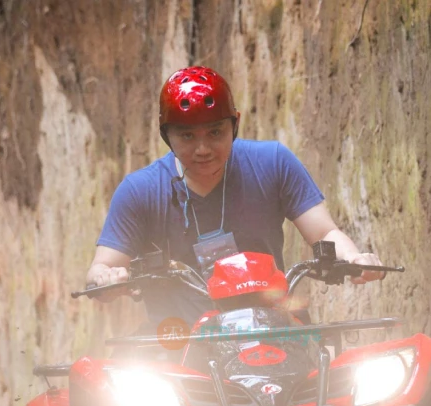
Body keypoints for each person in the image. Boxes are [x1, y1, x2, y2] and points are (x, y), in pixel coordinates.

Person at [86, 65, 384, 328]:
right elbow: (102, 267)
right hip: (180, 348)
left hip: (273, 328)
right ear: (166, 135)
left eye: (215, 132)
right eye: (188, 136)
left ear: (235, 124)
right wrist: (107, 280)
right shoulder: (140, 191)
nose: (203, 149)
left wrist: (353, 257)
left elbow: (324, 231)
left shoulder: (273, 163)